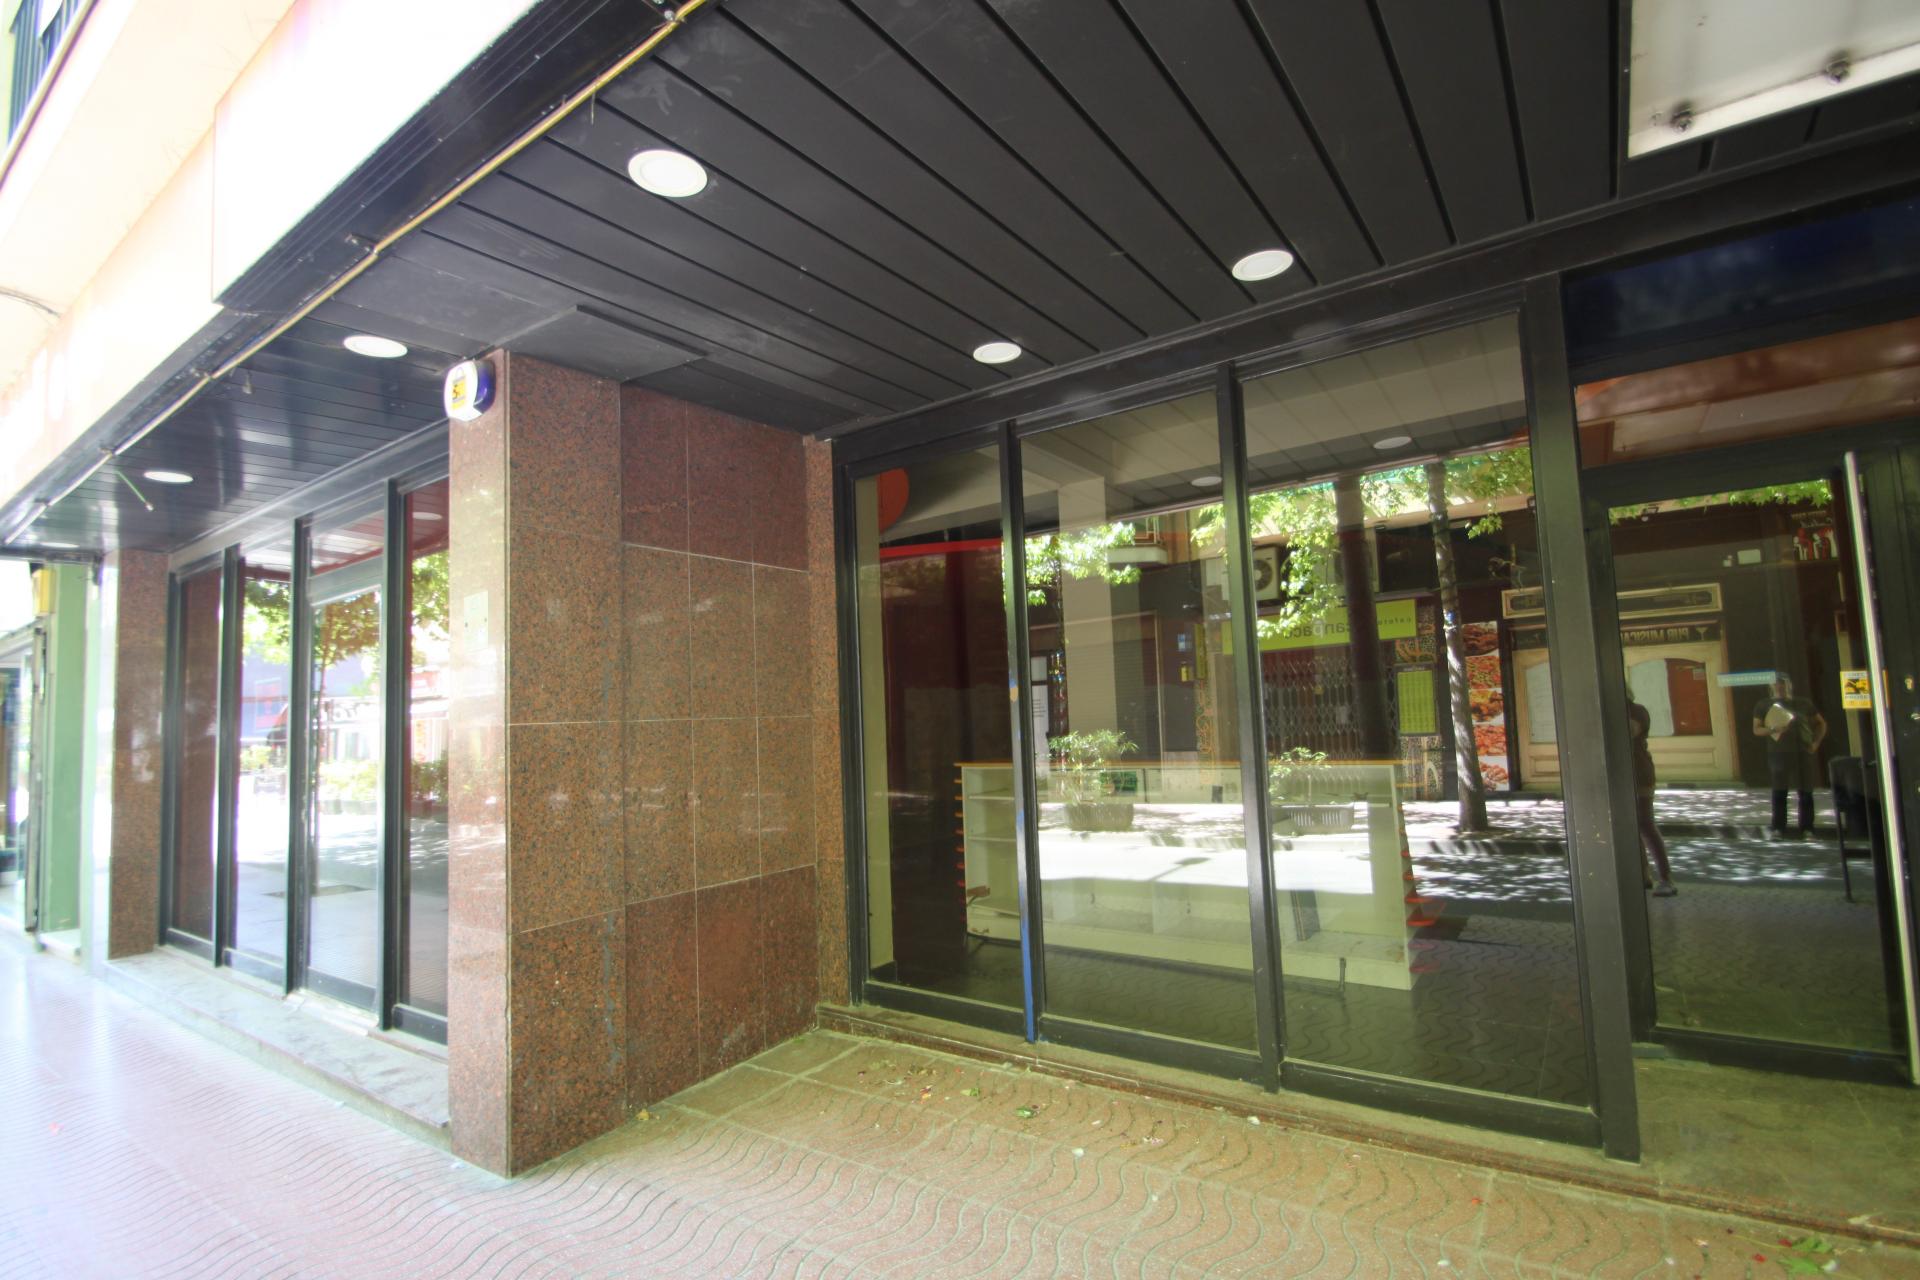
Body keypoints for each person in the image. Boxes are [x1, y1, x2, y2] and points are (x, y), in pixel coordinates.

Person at [1751, 674, 1827, 837]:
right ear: (1771, 687)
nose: (1780, 687)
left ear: (1789, 686)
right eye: (1776, 684)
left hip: (1802, 752)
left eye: (1783, 684)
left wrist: (1815, 743)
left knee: (1805, 792)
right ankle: (1778, 828)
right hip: (1778, 754)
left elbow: (1821, 723)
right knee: (1780, 791)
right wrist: (1773, 729)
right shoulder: (1764, 705)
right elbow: (1756, 729)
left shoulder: (1803, 703)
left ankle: (1807, 828)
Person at [1625, 690, 1675, 896]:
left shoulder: (1637, 711)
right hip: (1620, 775)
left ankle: (1665, 878)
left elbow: (1629, 730)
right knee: (1630, 825)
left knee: (1644, 823)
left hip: (1639, 773)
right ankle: (1643, 874)